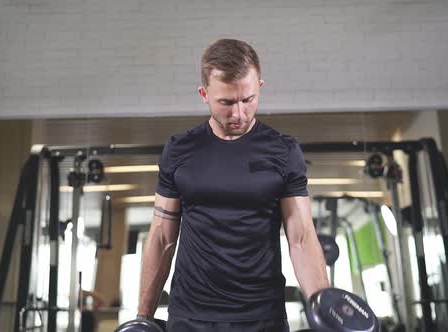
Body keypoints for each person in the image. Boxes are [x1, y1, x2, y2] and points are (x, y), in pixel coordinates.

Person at [137, 39, 330, 332]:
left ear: (260, 87)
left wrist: (326, 313)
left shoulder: (283, 151)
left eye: (248, 99)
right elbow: (162, 238)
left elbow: (301, 238)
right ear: (204, 94)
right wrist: (143, 318)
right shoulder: (180, 150)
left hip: (262, 316)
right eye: (226, 102)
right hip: (190, 315)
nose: (239, 113)